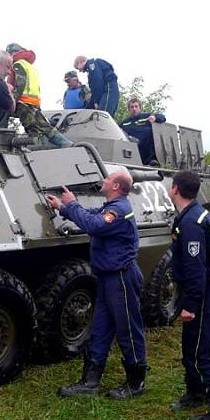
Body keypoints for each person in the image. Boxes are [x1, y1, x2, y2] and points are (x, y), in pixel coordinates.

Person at [47, 171, 148, 400]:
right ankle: (89, 382)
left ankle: (136, 381)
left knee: (128, 330)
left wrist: (71, 205)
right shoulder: (111, 206)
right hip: (108, 278)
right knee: (100, 329)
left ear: (115, 186)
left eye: (107, 179)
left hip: (121, 278)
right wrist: (63, 207)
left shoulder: (119, 210)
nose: (103, 180)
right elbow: (91, 215)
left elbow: (94, 225)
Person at [168, 171, 210, 420]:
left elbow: (196, 268)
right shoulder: (195, 214)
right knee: (189, 349)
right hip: (204, 291)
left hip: (205, 294)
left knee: (200, 353)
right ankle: (195, 393)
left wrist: (190, 305)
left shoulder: (192, 222)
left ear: (174, 189)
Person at [6, 43, 71, 148]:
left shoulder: (18, 63)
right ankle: (37, 148)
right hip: (34, 102)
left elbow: (20, 84)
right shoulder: (29, 66)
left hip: (23, 102)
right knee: (37, 127)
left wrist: (12, 101)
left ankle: (65, 144)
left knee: (36, 126)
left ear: (12, 53)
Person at [119, 98, 166, 166]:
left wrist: (155, 118)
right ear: (129, 109)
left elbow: (162, 118)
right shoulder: (125, 123)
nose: (134, 109)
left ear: (140, 108)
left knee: (148, 131)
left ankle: (151, 160)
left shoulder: (147, 116)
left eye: (136, 106)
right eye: (132, 107)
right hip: (131, 148)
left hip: (146, 148)